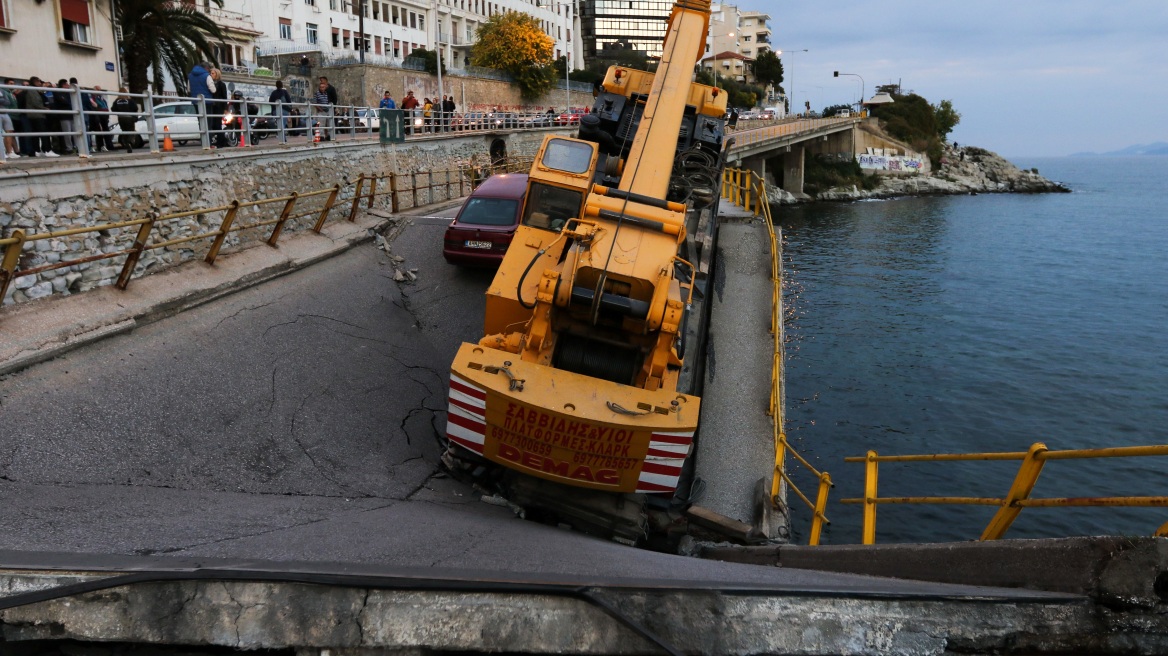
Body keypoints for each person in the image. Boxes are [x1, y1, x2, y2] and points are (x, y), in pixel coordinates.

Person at [111, 88, 138, 154]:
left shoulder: (117, 101)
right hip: (129, 117)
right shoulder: (129, 100)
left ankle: (127, 144)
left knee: (124, 131)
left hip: (121, 118)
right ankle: (129, 142)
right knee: (131, 131)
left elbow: (113, 109)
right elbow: (135, 108)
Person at [312, 76, 337, 140]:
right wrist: (320, 109)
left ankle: (329, 136)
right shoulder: (317, 93)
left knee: (329, 123)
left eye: (323, 87)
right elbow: (315, 102)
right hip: (322, 111)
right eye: (321, 87)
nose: (322, 88)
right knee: (321, 124)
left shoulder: (327, 92)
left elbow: (333, 99)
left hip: (327, 110)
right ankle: (322, 136)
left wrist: (332, 108)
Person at [90, 85, 114, 152]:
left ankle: (110, 146)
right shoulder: (92, 97)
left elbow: (105, 105)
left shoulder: (101, 98)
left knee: (106, 130)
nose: (99, 91)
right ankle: (100, 146)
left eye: (100, 89)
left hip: (104, 115)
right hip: (98, 114)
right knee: (99, 130)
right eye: (98, 89)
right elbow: (95, 105)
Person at [210, 68, 229, 147]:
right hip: (213, 106)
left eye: (213, 73)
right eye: (211, 73)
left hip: (219, 106)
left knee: (217, 124)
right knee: (214, 124)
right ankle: (221, 140)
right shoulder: (211, 83)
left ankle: (221, 142)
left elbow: (224, 97)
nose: (211, 75)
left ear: (217, 74)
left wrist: (225, 108)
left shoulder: (221, 84)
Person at [0, 80, 19, 158]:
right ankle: (2, 153)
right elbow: (5, 101)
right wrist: (3, 100)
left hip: (5, 113)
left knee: (9, 131)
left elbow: (8, 102)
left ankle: (9, 152)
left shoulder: (2, 90)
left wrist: (2, 100)